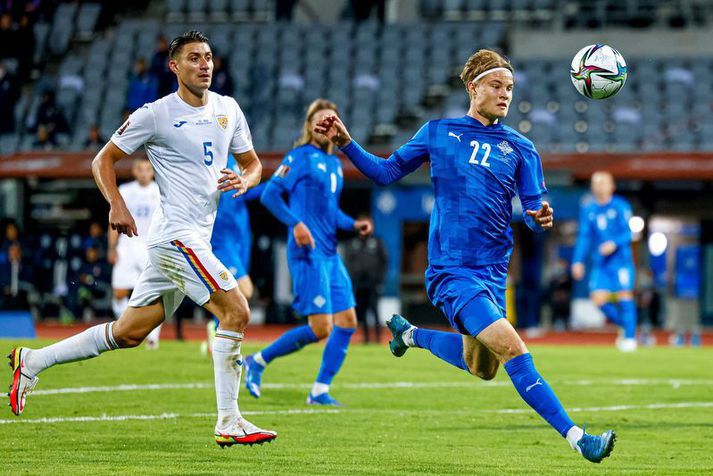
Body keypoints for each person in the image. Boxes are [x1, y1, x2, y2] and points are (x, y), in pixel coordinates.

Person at [314, 50, 616, 463]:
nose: (504, 94)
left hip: (492, 275)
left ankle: (411, 336)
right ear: (473, 88)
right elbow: (385, 173)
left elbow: (533, 209)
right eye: (496, 85)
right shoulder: (439, 132)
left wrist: (539, 217)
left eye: (509, 87)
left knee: (484, 368)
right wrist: (347, 143)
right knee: (513, 348)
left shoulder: (521, 147)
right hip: (452, 272)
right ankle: (579, 437)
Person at [7, 30, 276, 446]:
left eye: (207, 57)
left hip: (193, 239)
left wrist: (244, 179)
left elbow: (254, 163)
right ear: (174, 67)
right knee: (237, 313)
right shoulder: (155, 114)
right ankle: (229, 421)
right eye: (193, 58)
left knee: (129, 333)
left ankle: (32, 361)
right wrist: (116, 202)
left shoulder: (228, 109)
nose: (204, 64)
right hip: (175, 238)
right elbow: (103, 159)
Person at [243, 99, 372, 406]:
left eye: (332, 119)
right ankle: (257, 361)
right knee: (320, 328)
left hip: (330, 254)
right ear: (310, 126)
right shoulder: (299, 157)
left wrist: (354, 225)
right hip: (307, 253)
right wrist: (296, 223)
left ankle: (319, 391)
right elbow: (271, 196)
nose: (326, 124)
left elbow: (330, 213)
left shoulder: (336, 165)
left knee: (348, 321)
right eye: (321, 119)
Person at [204, 155, 266, 354]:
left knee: (233, 290)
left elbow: (244, 192)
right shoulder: (212, 156)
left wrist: (275, 183)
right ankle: (217, 328)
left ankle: (218, 331)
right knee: (244, 289)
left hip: (241, 235)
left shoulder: (235, 157)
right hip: (222, 238)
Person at [571, 171, 637, 352]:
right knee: (598, 299)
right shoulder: (588, 209)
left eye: (603, 182)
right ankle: (625, 325)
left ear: (611, 186)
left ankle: (630, 339)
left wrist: (614, 243)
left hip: (621, 262)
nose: (599, 186)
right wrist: (578, 261)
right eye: (596, 183)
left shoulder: (621, 206)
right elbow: (584, 236)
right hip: (601, 263)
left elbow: (630, 233)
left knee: (624, 296)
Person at [107, 157, 161, 348]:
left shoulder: (161, 190)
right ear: (134, 172)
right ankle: (128, 329)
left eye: (148, 169)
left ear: (152, 171)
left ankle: (153, 336)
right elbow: (114, 222)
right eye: (140, 169)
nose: (144, 172)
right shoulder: (125, 191)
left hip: (150, 246)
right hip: (127, 246)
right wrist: (112, 248)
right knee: (119, 292)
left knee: (153, 294)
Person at [344, 214, 387, 343]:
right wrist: (352, 280)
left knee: (375, 311)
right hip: (358, 283)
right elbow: (348, 263)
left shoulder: (377, 242)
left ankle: (378, 338)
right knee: (361, 312)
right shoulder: (353, 243)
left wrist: (380, 280)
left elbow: (384, 262)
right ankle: (366, 339)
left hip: (373, 282)